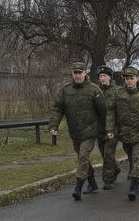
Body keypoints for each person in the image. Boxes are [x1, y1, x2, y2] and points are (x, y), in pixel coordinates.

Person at [49, 62, 106, 201]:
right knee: (83, 159)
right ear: (72, 74)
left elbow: (103, 111)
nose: (78, 75)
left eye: (80, 73)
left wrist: (105, 130)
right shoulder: (65, 90)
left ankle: (78, 188)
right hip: (75, 133)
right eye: (75, 73)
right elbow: (57, 108)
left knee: (83, 157)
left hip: (90, 131)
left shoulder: (94, 90)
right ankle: (92, 183)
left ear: (85, 73)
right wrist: (54, 126)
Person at [106, 66, 139, 201]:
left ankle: (133, 187)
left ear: (137, 78)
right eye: (127, 79)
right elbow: (111, 112)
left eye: (131, 78)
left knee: (137, 160)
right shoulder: (118, 93)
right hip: (125, 134)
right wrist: (110, 129)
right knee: (132, 160)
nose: (129, 81)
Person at [96, 65, 121, 190]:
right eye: (100, 76)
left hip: (114, 128)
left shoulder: (117, 90)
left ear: (110, 77)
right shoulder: (95, 91)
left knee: (108, 153)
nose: (102, 78)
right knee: (103, 153)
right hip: (100, 128)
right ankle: (115, 169)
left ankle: (108, 179)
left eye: (104, 76)